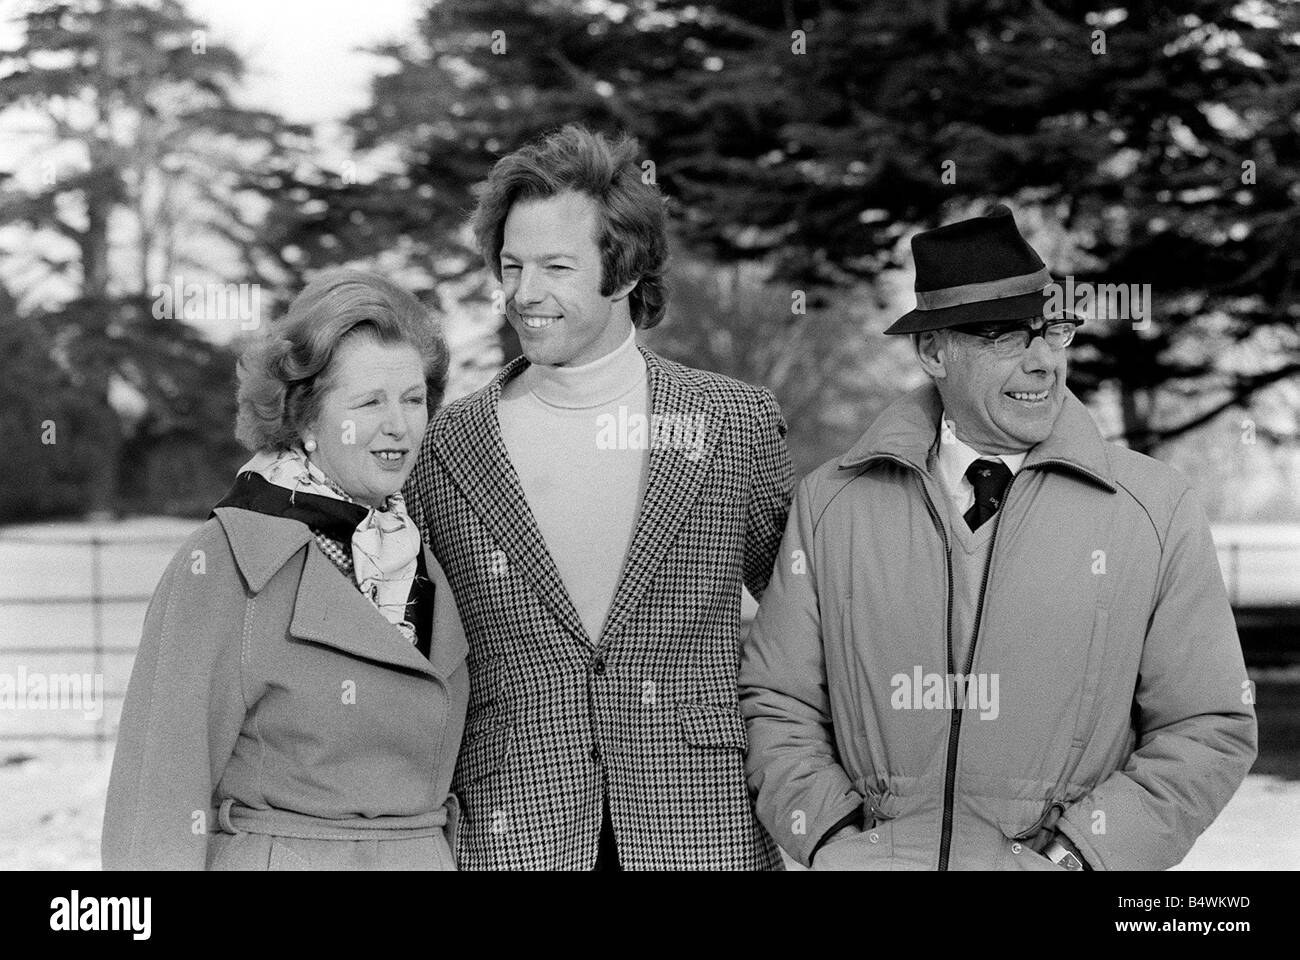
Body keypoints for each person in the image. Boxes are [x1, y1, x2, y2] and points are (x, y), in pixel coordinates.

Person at [739, 205, 1257, 870]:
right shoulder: (833, 505)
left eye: (1053, 332)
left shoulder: (1153, 511)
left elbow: (1208, 725)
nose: (1044, 363)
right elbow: (777, 701)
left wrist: (1080, 856)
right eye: (1003, 336)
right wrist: (836, 838)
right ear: (933, 351)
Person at [404, 125, 793, 870]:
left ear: (624, 272)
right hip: (513, 833)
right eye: (511, 266)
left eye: (555, 266)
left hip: (703, 827)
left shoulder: (733, 423)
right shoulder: (445, 445)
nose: (524, 293)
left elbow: (808, 625)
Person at [102, 270, 468, 870]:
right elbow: (156, 799)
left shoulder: (416, 551)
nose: (399, 426)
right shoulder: (222, 564)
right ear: (304, 418)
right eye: (369, 401)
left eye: (412, 398)